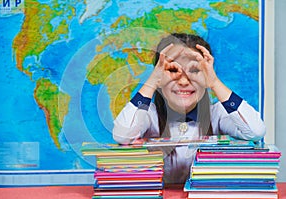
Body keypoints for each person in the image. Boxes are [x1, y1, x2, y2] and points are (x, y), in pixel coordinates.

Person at [112, 33, 266, 183]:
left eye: (194, 70)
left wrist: (214, 82)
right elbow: (123, 135)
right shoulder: (149, 114)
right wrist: (152, 81)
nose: (184, 81)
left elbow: (255, 131)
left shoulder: (217, 114)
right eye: (173, 70)